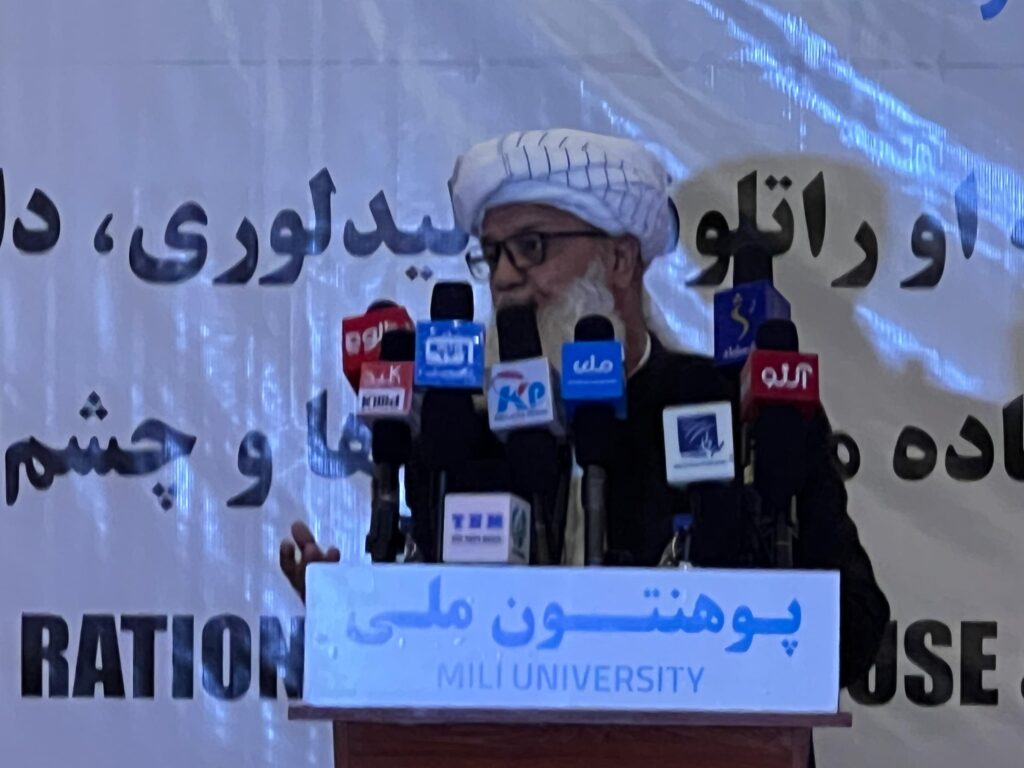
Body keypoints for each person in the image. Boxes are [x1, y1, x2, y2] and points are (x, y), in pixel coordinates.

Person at [281, 130, 889, 762]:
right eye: (491, 255)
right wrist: (361, 616)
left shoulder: (732, 410)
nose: (505, 279)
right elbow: (442, 645)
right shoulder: (462, 429)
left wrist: (753, 609)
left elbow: (856, 627)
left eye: (531, 247)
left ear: (620, 260)